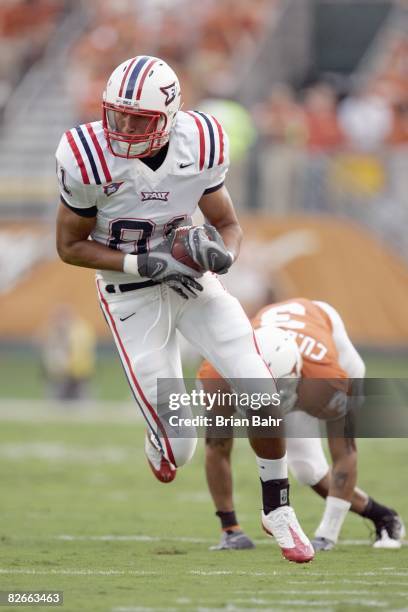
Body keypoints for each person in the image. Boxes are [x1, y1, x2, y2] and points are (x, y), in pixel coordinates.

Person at [55, 55, 314, 563]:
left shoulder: (203, 143)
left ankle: (277, 508)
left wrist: (223, 255)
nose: (124, 128)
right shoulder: (85, 154)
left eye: (140, 119)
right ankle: (161, 440)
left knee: (259, 388)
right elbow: (69, 246)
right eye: (118, 114)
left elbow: (229, 226)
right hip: (131, 293)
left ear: (170, 117)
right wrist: (143, 264)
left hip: (194, 281)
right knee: (182, 448)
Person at [198, 298, 405, 551]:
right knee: (307, 469)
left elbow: (345, 453)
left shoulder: (326, 380)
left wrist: (326, 536)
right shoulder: (217, 372)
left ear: (296, 374)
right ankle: (382, 515)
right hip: (283, 356)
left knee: (308, 470)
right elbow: (216, 447)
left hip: (324, 330)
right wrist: (230, 529)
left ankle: (381, 519)